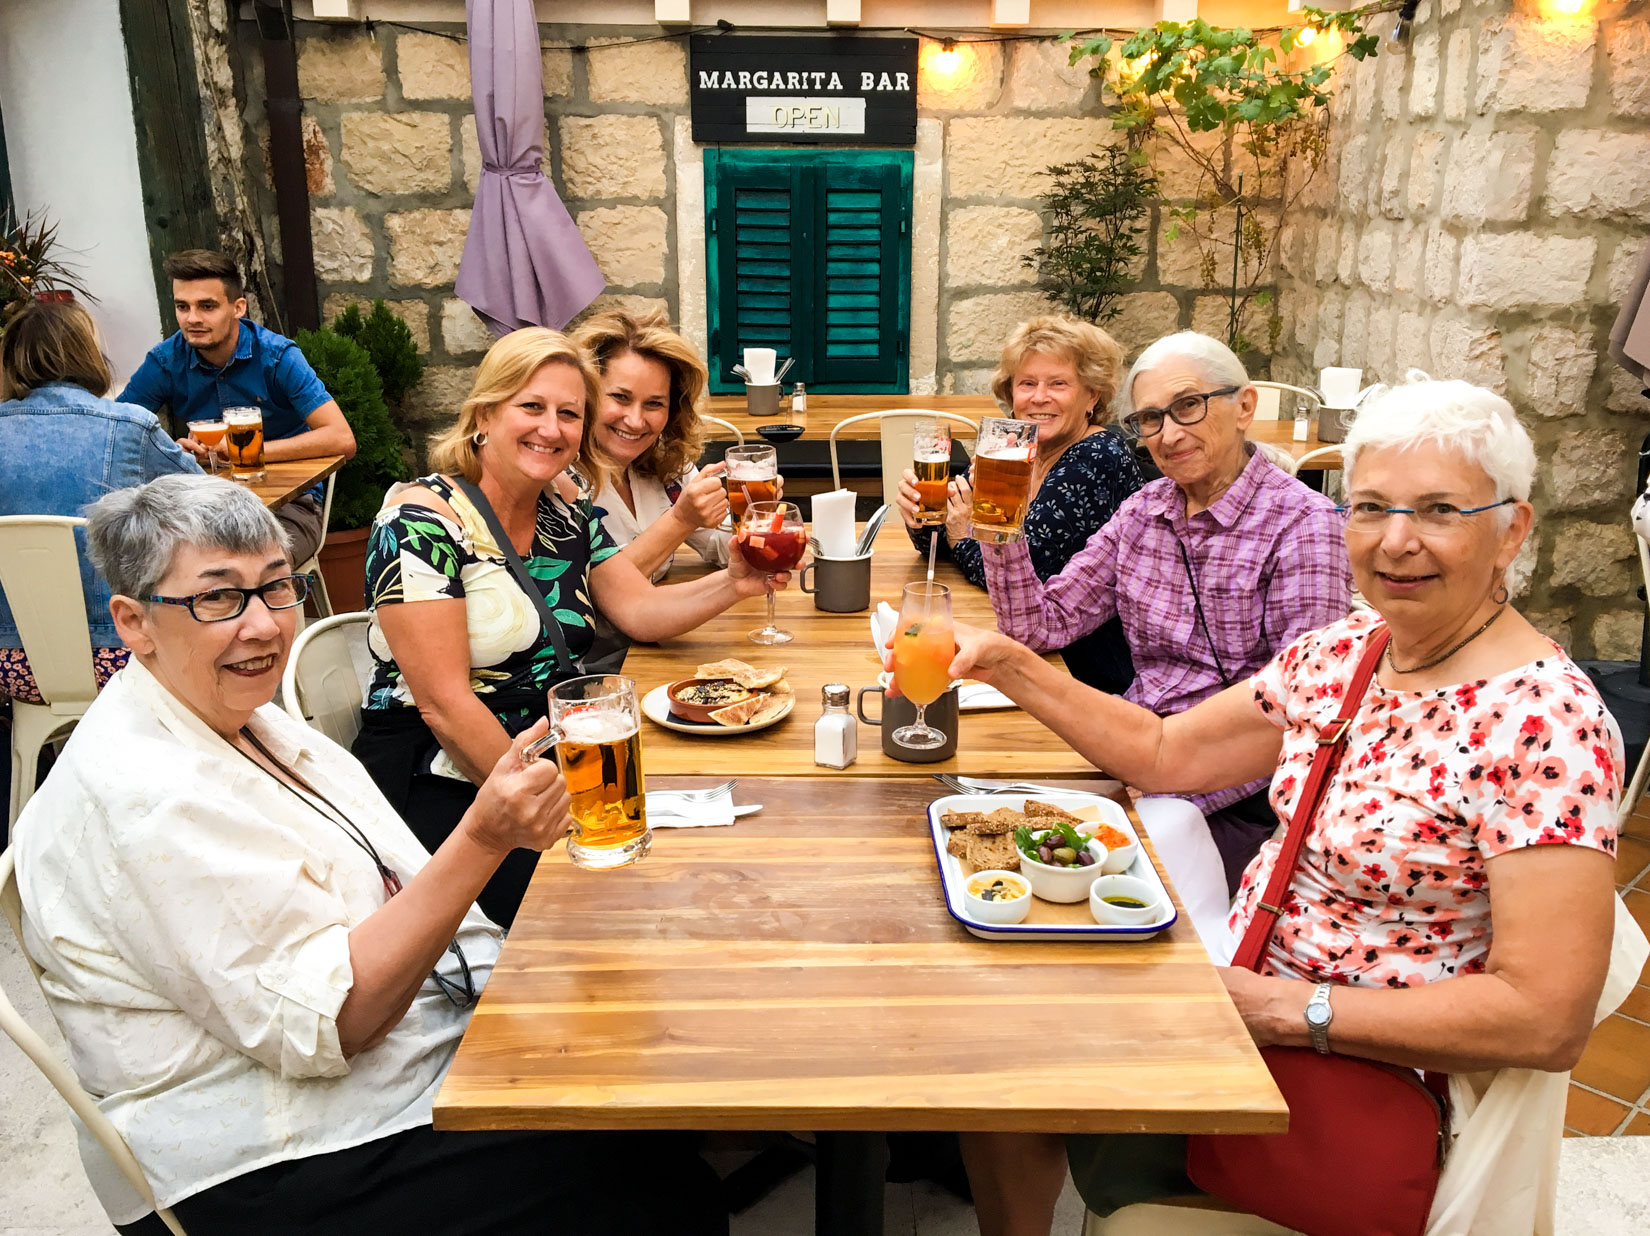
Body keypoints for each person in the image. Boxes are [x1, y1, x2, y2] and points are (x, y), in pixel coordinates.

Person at [948, 377, 1647, 1236]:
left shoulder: (1546, 722)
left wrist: (1286, 1009)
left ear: (1511, 530)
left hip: (1353, 1084)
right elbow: (1170, 754)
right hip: (1242, 1024)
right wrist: (1008, 666)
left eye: (1437, 511)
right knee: (989, 1056)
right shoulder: (1349, 651)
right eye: (1370, 508)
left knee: (1023, 1078)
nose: (1396, 542)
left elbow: (1547, 1019)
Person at [11, 474, 727, 1236]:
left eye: (275, 588)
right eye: (217, 598)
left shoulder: (232, 714)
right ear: (133, 622)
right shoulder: (146, 795)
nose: (260, 627)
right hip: (258, 1158)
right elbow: (337, 1021)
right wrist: (485, 837)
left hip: (368, 1059)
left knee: (639, 1065)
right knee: (645, 1176)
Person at [353, 327, 789, 927]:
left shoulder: (563, 508)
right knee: (608, 910)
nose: (551, 429)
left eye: (569, 414)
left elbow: (638, 610)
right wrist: (558, 810)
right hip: (443, 775)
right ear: (484, 413)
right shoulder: (418, 523)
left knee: (707, 867)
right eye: (530, 407)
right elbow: (444, 705)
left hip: (557, 751)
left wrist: (737, 581)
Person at [981, 331, 1351, 893]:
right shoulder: (1143, 512)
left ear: (1244, 406)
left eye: (1188, 406)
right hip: (1129, 759)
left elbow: (1301, 717)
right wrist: (1000, 526)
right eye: (1151, 418)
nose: (1169, 434)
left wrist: (1149, 794)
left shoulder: (1304, 527)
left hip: (1232, 800)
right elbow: (1042, 625)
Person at [897, 316, 1143, 694]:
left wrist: (961, 536)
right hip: (1025, 645)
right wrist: (920, 517)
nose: (1039, 397)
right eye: (1027, 383)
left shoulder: (1097, 456)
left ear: (1092, 396)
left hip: (1085, 669)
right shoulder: (1011, 449)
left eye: (1058, 384)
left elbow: (1030, 572)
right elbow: (942, 533)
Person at [0, 299, 200, 705]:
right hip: (120, 654)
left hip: (9, 666)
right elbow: (205, 502)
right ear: (86, 353)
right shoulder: (128, 425)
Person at [118, 249, 356, 564]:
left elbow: (342, 439)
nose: (192, 319)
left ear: (238, 307)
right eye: (182, 306)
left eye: (207, 306)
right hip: (201, 507)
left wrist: (246, 450)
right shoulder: (165, 360)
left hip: (289, 506)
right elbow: (117, 433)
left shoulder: (276, 356)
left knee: (249, 566)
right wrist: (169, 451)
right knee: (145, 562)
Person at [570, 308, 732, 582]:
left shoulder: (667, 464)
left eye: (654, 403)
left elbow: (721, 547)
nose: (635, 421)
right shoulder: (560, 479)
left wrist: (756, 514)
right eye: (620, 397)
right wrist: (681, 520)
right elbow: (592, 592)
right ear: (585, 394)